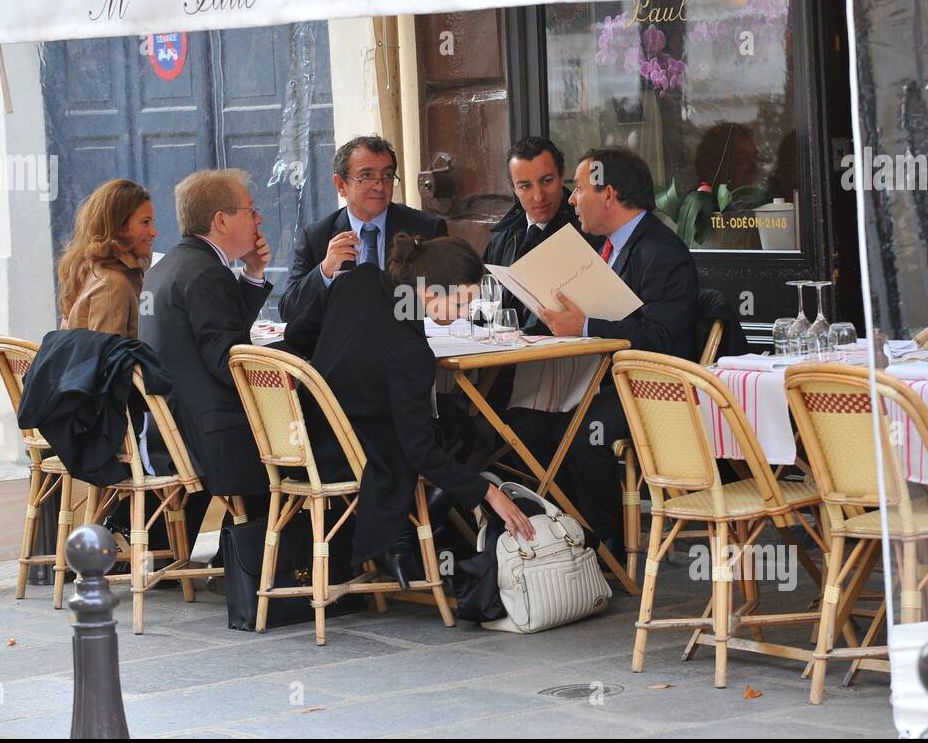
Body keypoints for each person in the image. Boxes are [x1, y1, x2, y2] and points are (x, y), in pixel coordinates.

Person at [284, 233, 535, 588]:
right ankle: (407, 535)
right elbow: (419, 451)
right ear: (432, 294)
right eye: (462, 305)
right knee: (469, 431)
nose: (466, 314)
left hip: (307, 434)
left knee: (454, 418)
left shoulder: (361, 278)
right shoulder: (411, 353)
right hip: (349, 452)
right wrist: (488, 492)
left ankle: (407, 536)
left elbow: (296, 335)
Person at [507, 146, 699, 553]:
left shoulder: (662, 253)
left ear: (608, 194)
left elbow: (663, 338)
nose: (571, 199)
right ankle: (560, 537)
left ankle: (602, 544)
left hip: (652, 389)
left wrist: (586, 326)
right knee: (523, 424)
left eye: (578, 189)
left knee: (581, 437)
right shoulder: (605, 247)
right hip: (599, 379)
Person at [139, 169, 274, 549]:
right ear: (221, 220)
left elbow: (218, 335)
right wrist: (287, 366)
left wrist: (253, 274)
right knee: (312, 436)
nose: (259, 219)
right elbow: (227, 361)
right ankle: (263, 562)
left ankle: (236, 556)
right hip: (212, 436)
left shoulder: (170, 266)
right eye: (251, 210)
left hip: (172, 428)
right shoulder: (206, 273)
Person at [276, 135, 447, 321]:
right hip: (342, 346)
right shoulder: (317, 237)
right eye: (366, 176)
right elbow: (289, 311)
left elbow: (450, 300)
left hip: (411, 343)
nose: (380, 186)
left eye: (387, 175)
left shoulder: (426, 229)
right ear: (341, 185)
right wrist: (324, 271)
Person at [483, 136, 594, 331]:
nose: (539, 196)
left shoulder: (588, 231)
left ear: (562, 175)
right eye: (525, 186)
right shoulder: (501, 237)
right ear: (513, 188)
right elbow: (483, 312)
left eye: (547, 181)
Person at [57, 179, 157, 338]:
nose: (154, 232)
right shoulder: (112, 283)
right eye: (145, 223)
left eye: (152, 222)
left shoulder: (91, 270)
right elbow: (109, 360)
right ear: (118, 227)